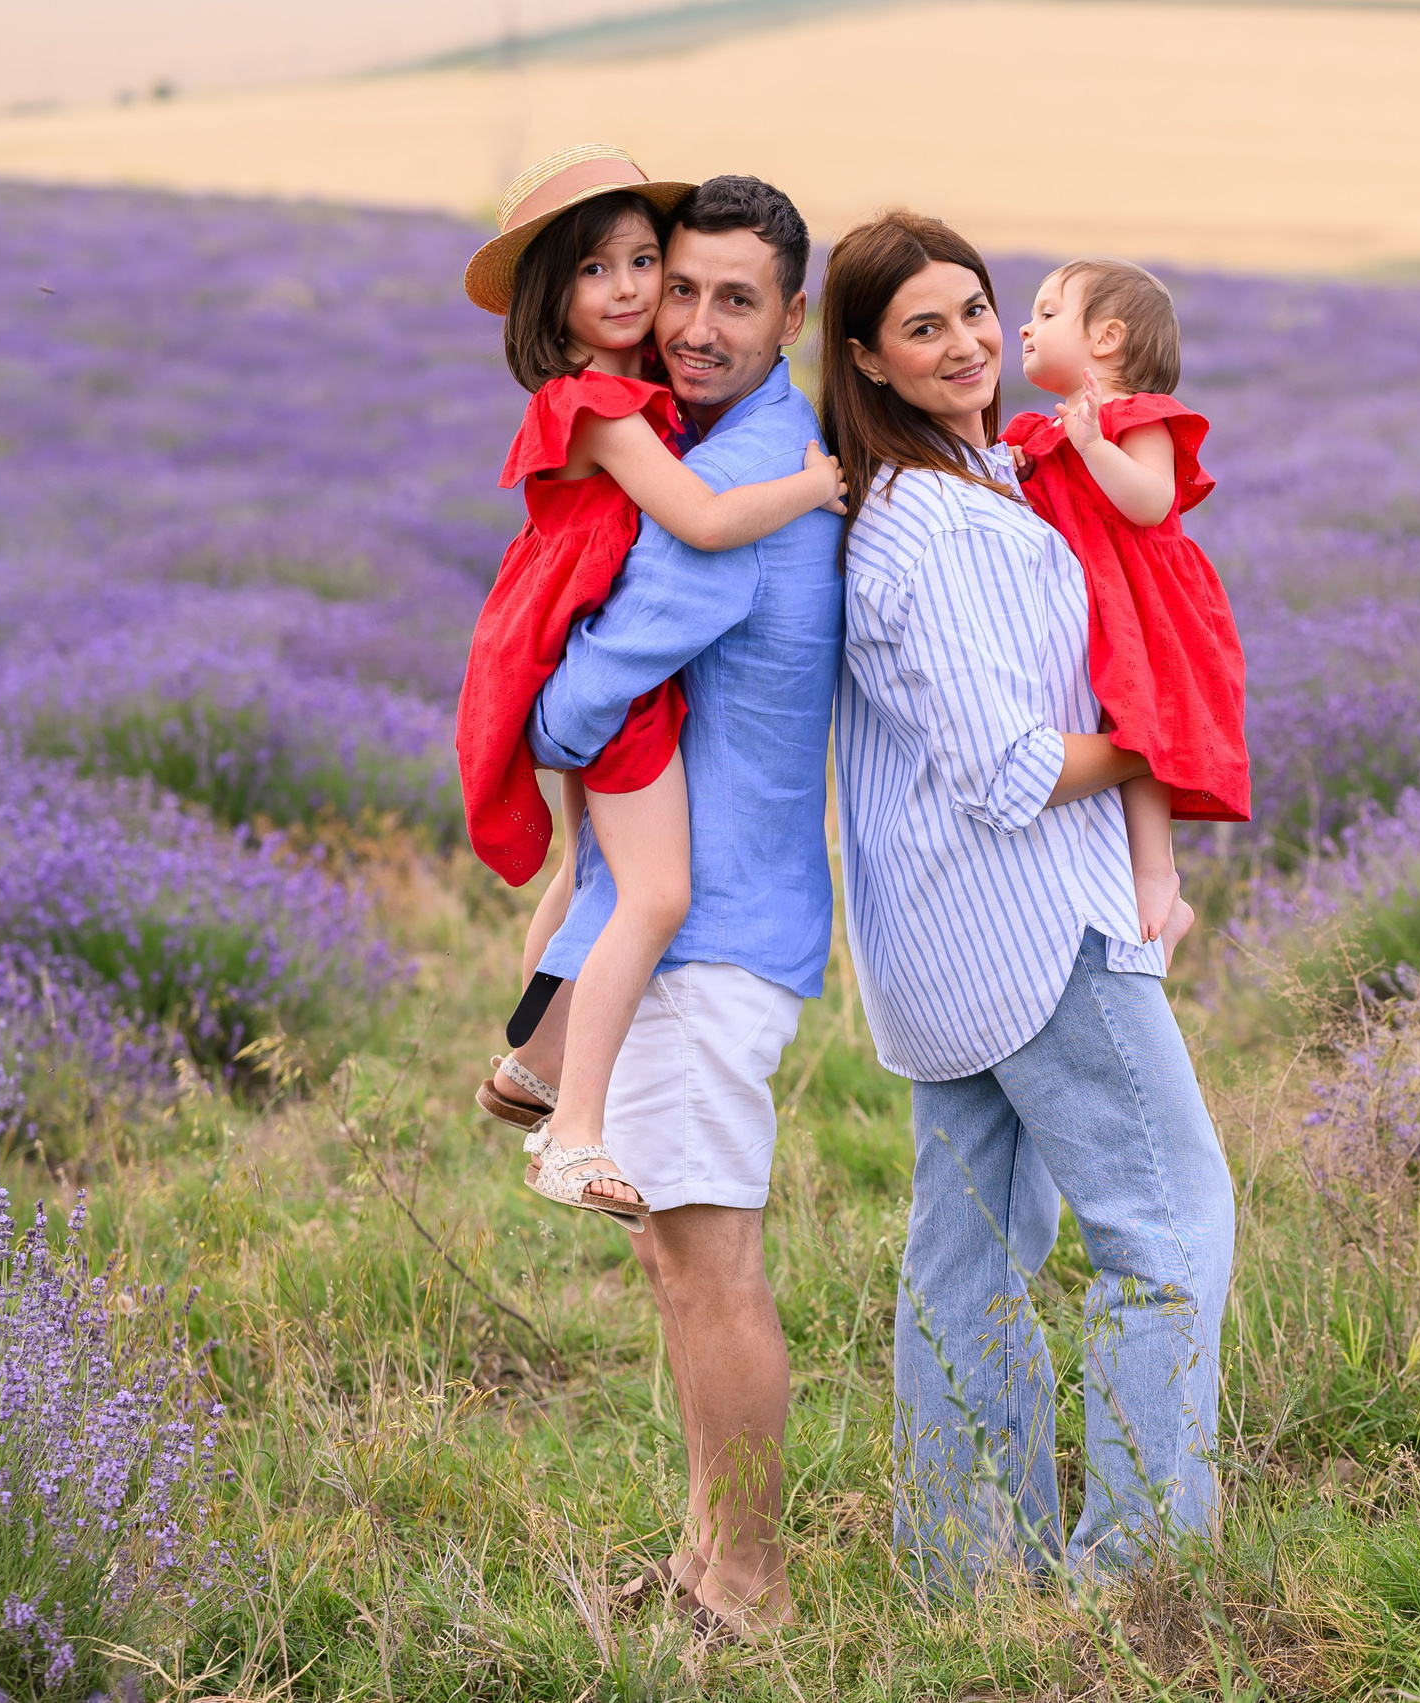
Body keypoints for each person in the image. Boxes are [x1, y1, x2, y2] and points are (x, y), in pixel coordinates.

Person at [820, 210, 1237, 1586]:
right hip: (1031, 921)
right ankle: (1140, 1571)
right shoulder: (934, 524)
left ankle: (965, 1568)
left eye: (978, 310)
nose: (968, 343)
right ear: (868, 360)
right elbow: (1007, 769)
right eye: (923, 327)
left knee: (971, 1249)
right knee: (1170, 1230)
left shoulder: (981, 480)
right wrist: (1163, 739)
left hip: (950, 937)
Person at [497, 174, 846, 1632]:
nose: (690, 324)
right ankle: (708, 1550)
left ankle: (748, 1584)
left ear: (793, 318)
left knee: (709, 1266)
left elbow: (584, 706)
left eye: (732, 299)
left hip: (714, 939)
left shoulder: (747, 477)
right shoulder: (712, 440)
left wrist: (535, 713)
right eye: (675, 287)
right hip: (694, 925)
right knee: (671, 1249)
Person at [455, 145, 844, 1231]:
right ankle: (570, 1125)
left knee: (592, 865)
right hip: (595, 673)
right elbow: (707, 523)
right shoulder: (628, 415)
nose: (642, 298)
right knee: (651, 888)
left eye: (644, 264)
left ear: (789, 315)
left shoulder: (639, 401)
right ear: (552, 298)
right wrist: (817, 487)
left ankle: (533, 1062)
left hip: (564, 632)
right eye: (616, 274)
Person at [1007, 260, 1249, 959]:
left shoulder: (1135, 419)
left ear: (1107, 338)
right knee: (1107, 736)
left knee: (1141, 735)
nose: (1026, 323)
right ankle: (1129, 885)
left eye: (1049, 312)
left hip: (1146, 603)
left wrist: (1092, 445)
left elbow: (1151, 500)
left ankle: (1158, 882)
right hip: (1092, 601)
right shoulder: (1041, 433)